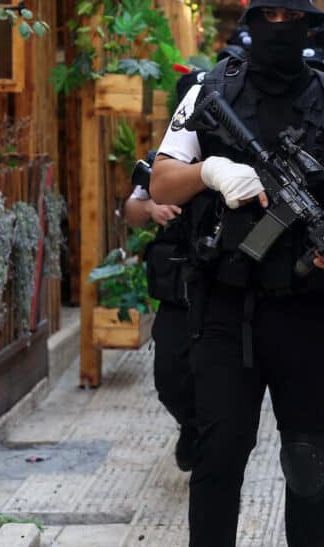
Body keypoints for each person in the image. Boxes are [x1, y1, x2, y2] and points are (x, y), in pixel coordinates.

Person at [151, 0, 324, 547]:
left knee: (306, 459)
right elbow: (161, 183)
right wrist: (209, 171)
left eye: (294, 18)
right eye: (271, 16)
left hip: (311, 310)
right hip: (224, 311)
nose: (282, 27)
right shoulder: (209, 92)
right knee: (218, 458)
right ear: (252, 21)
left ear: (310, 24)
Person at [123, 167, 196, 470]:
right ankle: (191, 426)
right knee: (168, 378)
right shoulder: (171, 156)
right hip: (177, 293)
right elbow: (131, 209)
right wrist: (153, 208)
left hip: (227, 290)